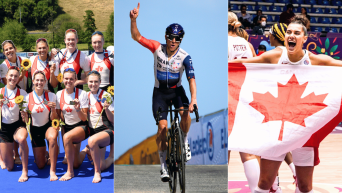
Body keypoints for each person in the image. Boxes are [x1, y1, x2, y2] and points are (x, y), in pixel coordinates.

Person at [231, 15, 342, 193]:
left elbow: (338, 66)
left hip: (303, 130)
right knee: (264, 183)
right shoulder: (276, 55)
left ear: (304, 38)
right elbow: (243, 65)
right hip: (275, 130)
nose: (291, 35)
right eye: (288, 32)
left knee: (305, 187)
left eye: (296, 33)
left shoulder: (315, 61)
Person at [130, 3, 198, 182]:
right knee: (162, 127)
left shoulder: (185, 56)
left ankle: (184, 141)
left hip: (177, 92)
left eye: (177, 38)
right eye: (170, 38)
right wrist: (133, 20)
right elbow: (136, 36)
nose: (173, 41)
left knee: (185, 112)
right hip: (159, 93)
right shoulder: (156, 48)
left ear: (180, 40)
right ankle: (163, 167)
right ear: (165, 37)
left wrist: (194, 100)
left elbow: (192, 79)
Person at [228, 11, 260, 192]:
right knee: (247, 151)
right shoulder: (247, 44)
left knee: (225, 149)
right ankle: (257, 189)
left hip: (230, 97)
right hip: (247, 97)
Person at [21, 71, 59, 181]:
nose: (39, 82)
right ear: (33, 81)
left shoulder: (51, 95)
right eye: (37, 80)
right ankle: (46, 154)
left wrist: (53, 109)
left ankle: (53, 170)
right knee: (41, 165)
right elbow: (26, 121)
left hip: (47, 127)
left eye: (41, 80)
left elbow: (54, 119)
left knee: (52, 137)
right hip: (35, 130)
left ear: (45, 82)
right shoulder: (27, 98)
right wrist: (24, 115)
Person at [56, 68, 89, 181]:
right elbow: (59, 115)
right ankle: (86, 150)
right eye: (66, 78)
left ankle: (70, 172)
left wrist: (78, 109)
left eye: (71, 79)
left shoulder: (82, 93)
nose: (68, 81)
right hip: (67, 127)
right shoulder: (59, 94)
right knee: (76, 163)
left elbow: (85, 118)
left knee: (67, 137)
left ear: (75, 80)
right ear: (62, 79)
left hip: (81, 126)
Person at [83, 71, 114, 183]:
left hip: (106, 131)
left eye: (96, 81)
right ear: (87, 82)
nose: (93, 84)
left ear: (100, 82)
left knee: (92, 141)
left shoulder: (106, 95)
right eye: (91, 81)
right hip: (93, 132)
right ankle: (87, 150)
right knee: (101, 164)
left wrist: (106, 108)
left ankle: (97, 172)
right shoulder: (85, 96)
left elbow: (113, 120)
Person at [0, 40, 28, 165]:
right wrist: (20, 76)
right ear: (3, 52)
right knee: (7, 117)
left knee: (19, 120)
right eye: (6, 49)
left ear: (15, 48)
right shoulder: (3, 66)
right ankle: (4, 156)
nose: (9, 51)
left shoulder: (24, 60)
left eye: (11, 48)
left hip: (23, 95)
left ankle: (17, 154)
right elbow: (9, 83)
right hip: (11, 95)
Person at [0, 66, 29, 182]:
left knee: (22, 139)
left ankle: (25, 171)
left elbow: (26, 116)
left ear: (19, 79)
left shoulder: (22, 92)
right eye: (11, 75)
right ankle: (3, 158)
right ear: (6, 76)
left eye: (16, 76)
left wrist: (25, 115)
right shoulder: (0, 92)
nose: (13, 78)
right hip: (4, 129)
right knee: (10, 167)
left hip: (18, 125)